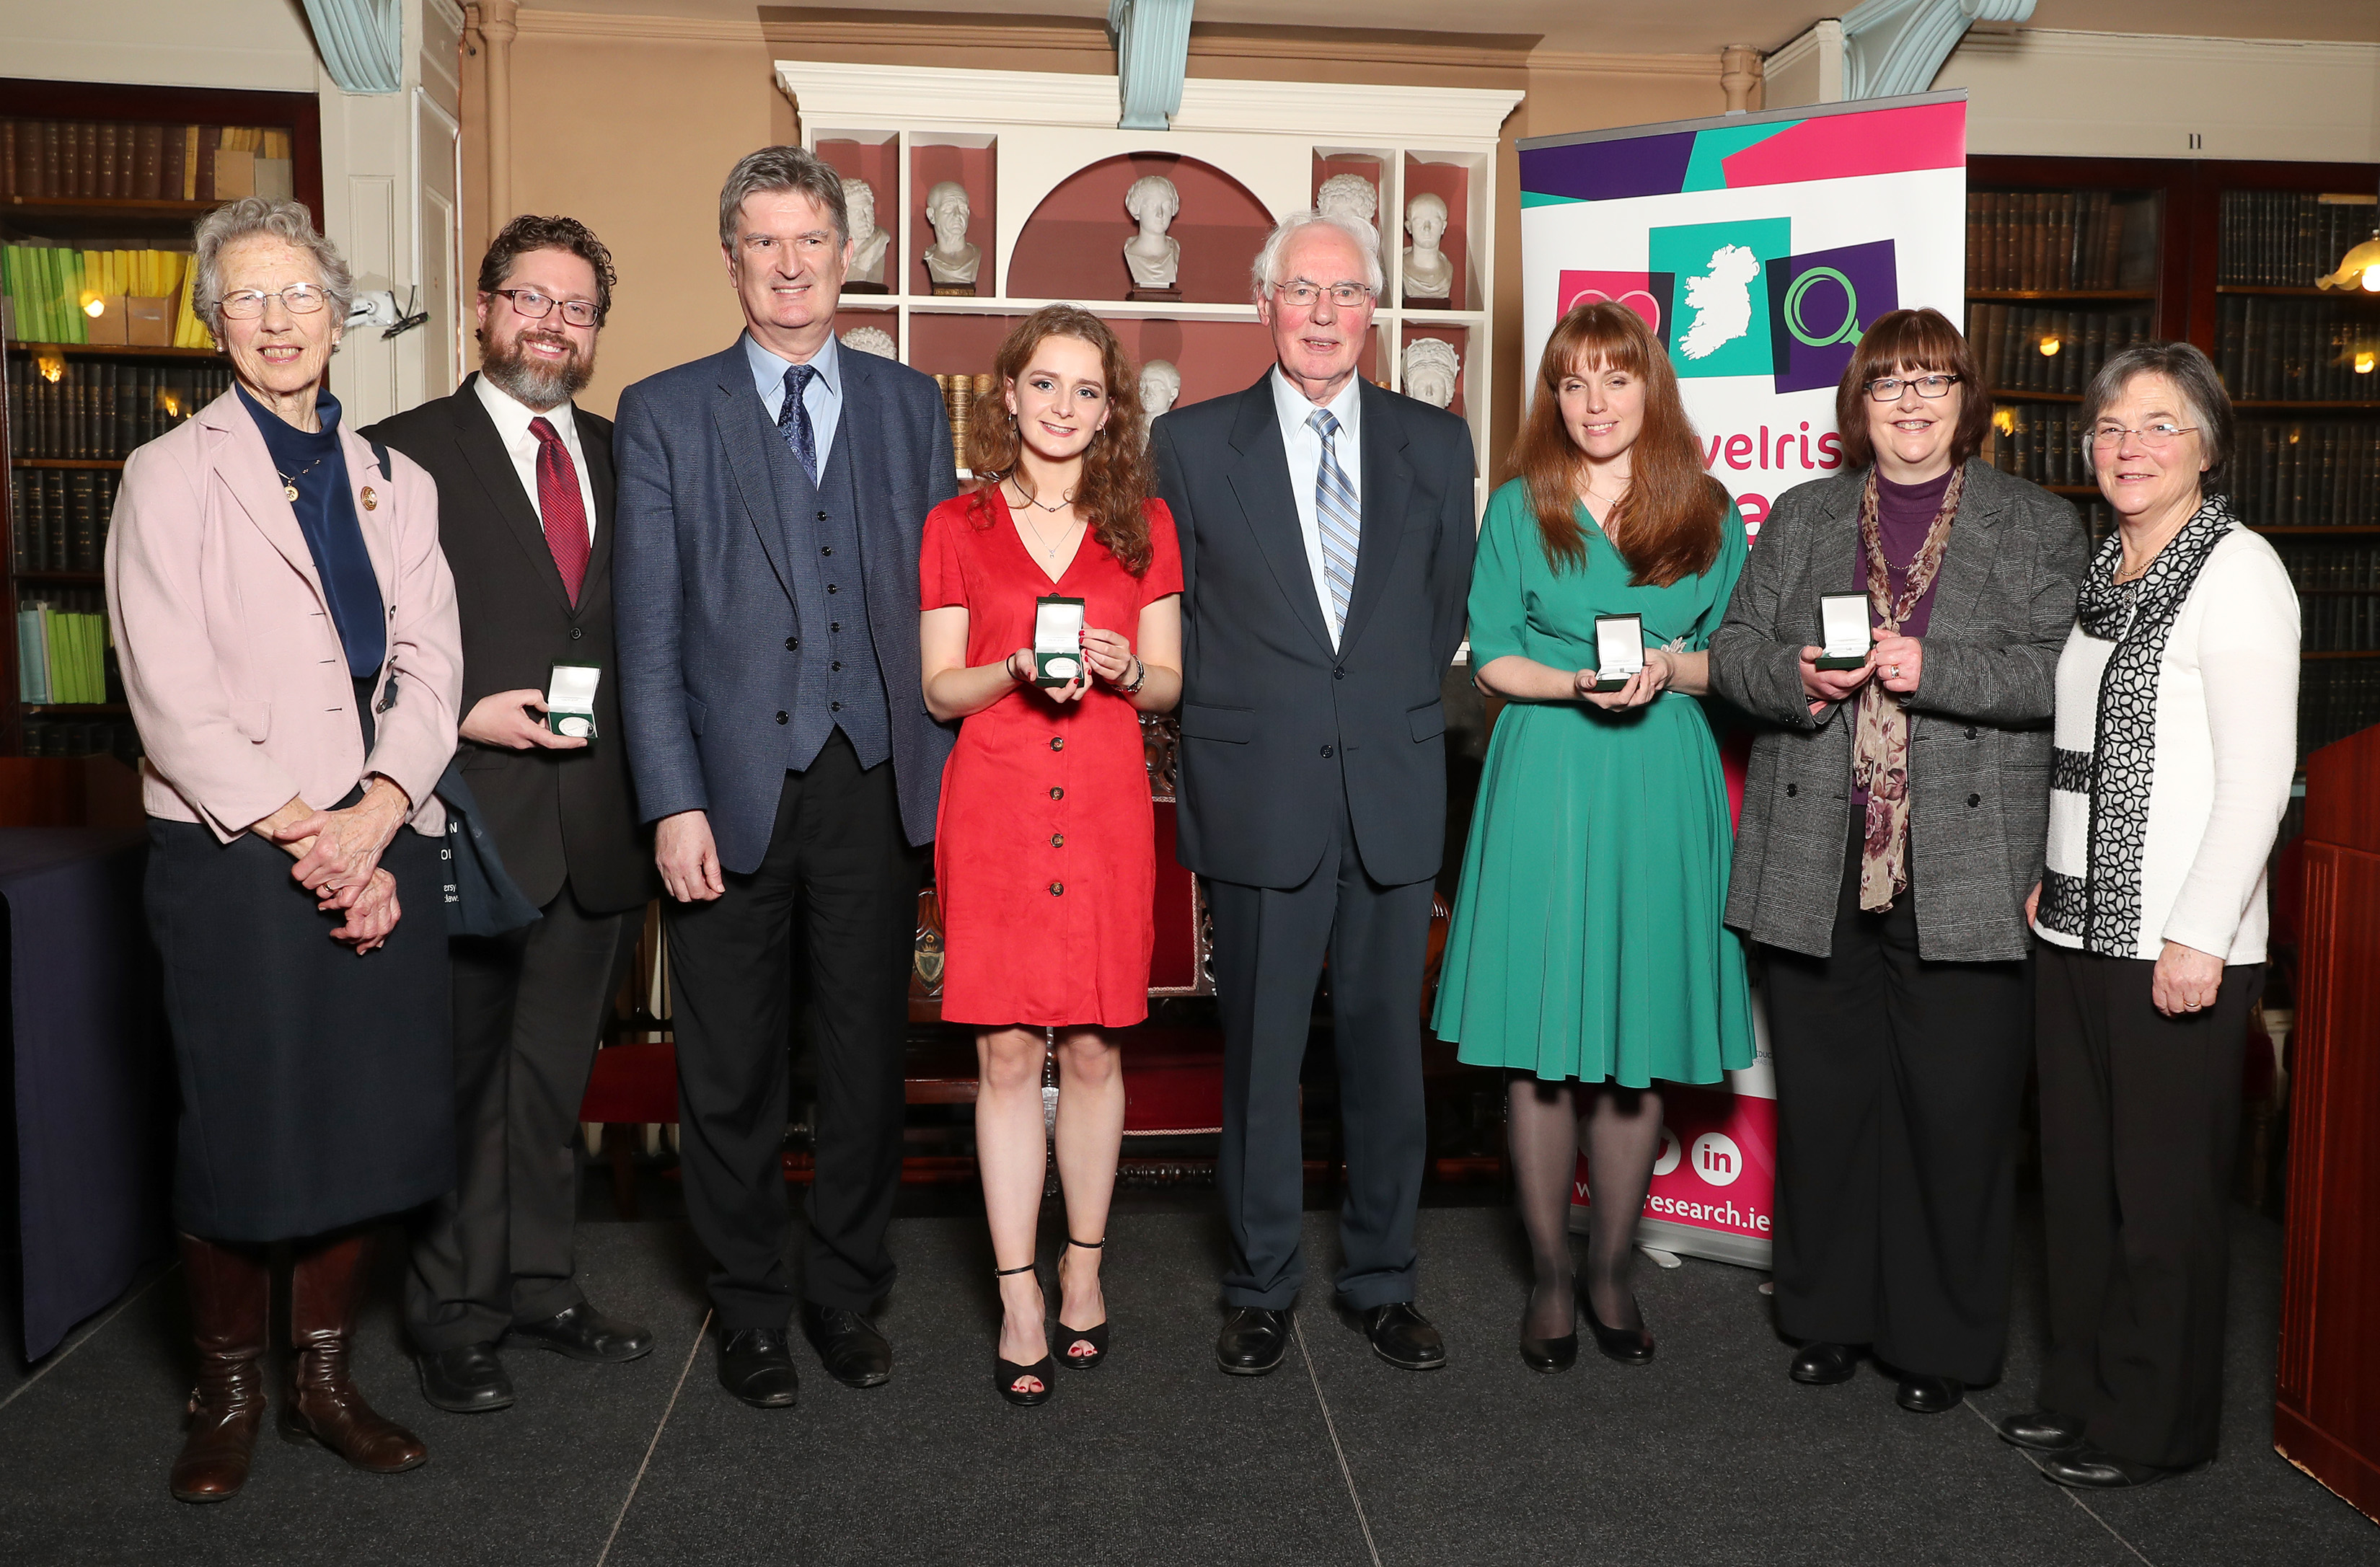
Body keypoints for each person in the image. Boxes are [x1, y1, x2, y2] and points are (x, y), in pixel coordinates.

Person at [107, 195, 462, 1501]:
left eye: (300, 295)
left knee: (362, 1119)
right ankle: (228, 1387)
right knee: (242, 1124)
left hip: (376, 827)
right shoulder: (167, 474)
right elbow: (168, 689)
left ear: (337, 312)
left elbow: (432, 664)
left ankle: (322, 1378)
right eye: (250, 298)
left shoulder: (395, 479)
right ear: (216, 323)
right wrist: (313, 831)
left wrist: (378, 809)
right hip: (237, 849)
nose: (279, 320)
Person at [614, 146, 958, 1410]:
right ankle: (752, 1305)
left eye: (812, 238)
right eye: (765, 241)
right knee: (732, 1067)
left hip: (875, 779)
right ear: (733, 258)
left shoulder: (914, 405)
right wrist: (671, 798)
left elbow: (941, 615)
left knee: (866, 1058)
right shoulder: (666, 410)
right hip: (728, 789)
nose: (792, 262)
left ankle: (847, 1292)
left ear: (845, 254)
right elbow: (644, 634)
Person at [1711, 307, 2086, 1415]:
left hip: (1968, 857)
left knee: (1955, 1110)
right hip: (1819, 848)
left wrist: (1935, 663)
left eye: (1934, 383)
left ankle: (1940, 1339)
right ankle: (1825, 1316)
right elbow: (1734, 651)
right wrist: (1798, 676)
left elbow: (2060, 675)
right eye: (1890, 385)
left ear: (1967, 402)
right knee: (1827, 1103)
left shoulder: (2036, 525)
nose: (1913, 403)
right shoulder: (1805, 513)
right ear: (1859, 405)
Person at [1150, 207, 1476, 1377]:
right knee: (1262, 1055)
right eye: (1303, 292)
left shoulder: (1437, 446)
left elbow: (1440, 613)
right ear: (1264, 306)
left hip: (1390, 785)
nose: (1325, 315)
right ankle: (1260, 1281)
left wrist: (1364, 705)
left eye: (1345, 294)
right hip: (1259, 787)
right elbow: (1176, 620)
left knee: (1390, 1054)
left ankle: (1383, 1279)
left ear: (1374, 311)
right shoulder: (1190, 446)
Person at [363, 215, 656, 1416]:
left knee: (553, 1081)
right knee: (464, 1080)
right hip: (465, 812)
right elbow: (351, 645)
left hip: (597, 821)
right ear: (484, 308)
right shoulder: (398, 455)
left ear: (594, 332)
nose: (551, 323)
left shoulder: (629, 451)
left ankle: (542, 1284)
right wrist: (457, 717)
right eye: (529, 298)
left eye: (576, 307)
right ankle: (452, 1314)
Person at [1433, 300, 1756, 1372]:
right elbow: (1493, 657)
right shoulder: (1522, 505)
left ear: (1649, 388)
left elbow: (1734, 657)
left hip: (1661, 776)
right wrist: (1575, 679)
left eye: (1615, 380)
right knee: (1541, 1047)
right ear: (1555, 397)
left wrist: (1673, 667)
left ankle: (1613, 1268)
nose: (1595, 403)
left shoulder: (1709, 508)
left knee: (1632, 1041)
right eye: (1574, 384)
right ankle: (1552, 1277)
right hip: (1548, 773)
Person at [2001, 343, 2297, 1488]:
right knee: (2078, 1181)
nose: (2130, 446)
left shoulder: (2239, 571)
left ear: (2207, 446)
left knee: (2163, 1196)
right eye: (2112, 428)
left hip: (2177, 940)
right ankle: (2081, 1391)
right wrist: (2051, 870)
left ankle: (2155, 1423)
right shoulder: (2108, 569)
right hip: (2077, 929)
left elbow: (2256, 773)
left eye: (2159, 425)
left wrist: (2203, 930)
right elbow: (2081, 749)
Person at [918, 306, 1184, 1404]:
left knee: (1093, 1052)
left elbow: (1170, 681)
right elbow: (941, 689)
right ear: (1009, 395)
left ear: (1109, 410)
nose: (1065, 407)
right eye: (1046, 385)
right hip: (998, 803)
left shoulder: (1145, 523)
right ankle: (1018, 1290)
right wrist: (1015, 662)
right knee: (1006, 1058)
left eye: (1087, 390)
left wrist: (1123, 666)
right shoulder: (956, 521)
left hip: (1111, 803)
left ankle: (1085, 1270)